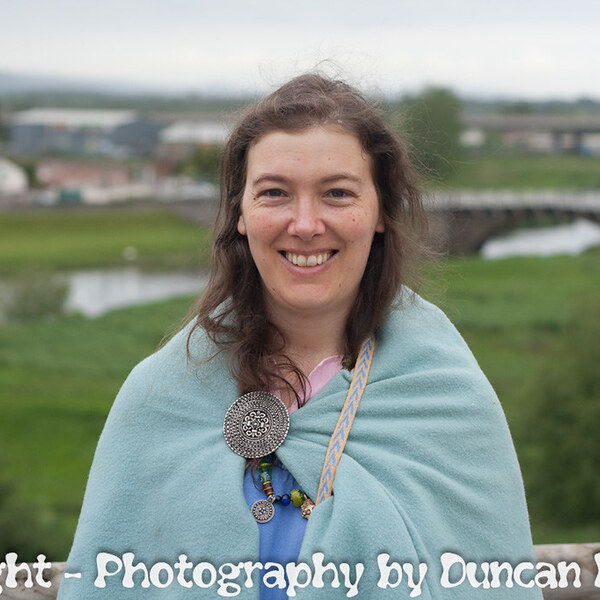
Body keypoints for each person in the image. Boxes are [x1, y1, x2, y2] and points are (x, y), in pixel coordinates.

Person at [58, 74, 542, 599]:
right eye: (275, 193)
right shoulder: (159, 397)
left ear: (380, 211)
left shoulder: (446, 398)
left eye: (337, 193)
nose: (306, 223)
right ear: (240, 214)